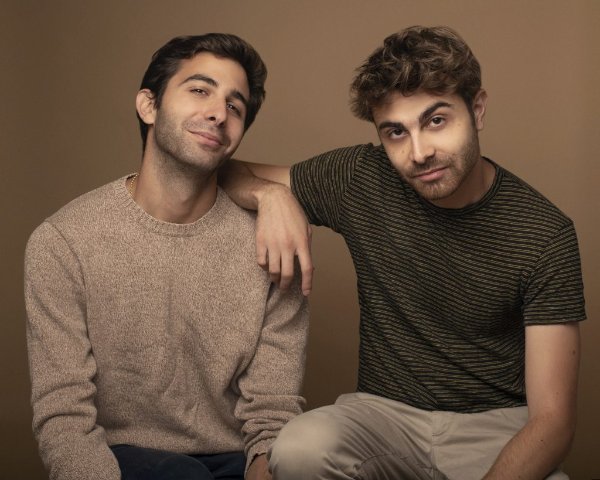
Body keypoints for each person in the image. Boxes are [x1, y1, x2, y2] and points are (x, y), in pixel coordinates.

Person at [220, 26, 586, 479]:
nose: (419, 152)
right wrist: (270, 195)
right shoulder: (363, 178)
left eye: (436, 121)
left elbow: (553, 421)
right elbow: (222, 170)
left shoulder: (545, 233)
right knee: (299, 448)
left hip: (494, 428)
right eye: (396, 132)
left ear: (477, 110)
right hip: (384, 417)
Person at [24, 34, 308, 480]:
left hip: (235, 460)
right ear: (149, 106)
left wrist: (266, 466)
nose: (218, 113)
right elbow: (65, 422)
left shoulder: (273, 241)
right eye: (199, 90)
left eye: (235, 107)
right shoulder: (63, 242)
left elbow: (273, 413)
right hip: (116, 460)